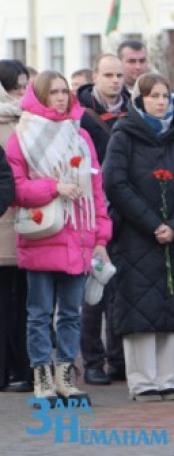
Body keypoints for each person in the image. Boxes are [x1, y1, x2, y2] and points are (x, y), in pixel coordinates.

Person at [6, 71, 112, 403]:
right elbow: (15, 189)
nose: (62, 98)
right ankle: (42, 377)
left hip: (79, 236)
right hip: (42, 234)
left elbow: (96, 190)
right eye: (53, 92)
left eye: (65, 91)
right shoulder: (21, 137)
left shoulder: (80, 135)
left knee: (71, 312)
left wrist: (101, 238)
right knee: (39, 313)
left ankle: (66, 376)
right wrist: (54, 187)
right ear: (39, 95)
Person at [104, 72, 174, 402]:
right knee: (139, 306)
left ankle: (167, 379)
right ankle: (143, 381)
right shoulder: (124, 134)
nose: (160, 102)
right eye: (153, 96)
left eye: (164, 96)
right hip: (136, 235)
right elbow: (115, 183)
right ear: (140, 99)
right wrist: (152, 223)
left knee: (173, 304)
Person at [76, 53, 131, 387]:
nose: (115, 81)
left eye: (119, 75)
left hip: (124, 211)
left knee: (121, 289)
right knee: (93, 291)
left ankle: (119, 359)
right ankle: (93, 361)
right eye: (108, 74)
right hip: (90, 211)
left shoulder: (131, 112)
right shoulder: (81, 117)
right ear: (94, 76)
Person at [0, 60, 31, 393]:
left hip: (28, 224)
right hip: (2, 225)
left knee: (25, 300)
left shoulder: (29, 120)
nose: (23, 92)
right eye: (16, 86)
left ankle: (22, 366)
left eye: (25, 84)